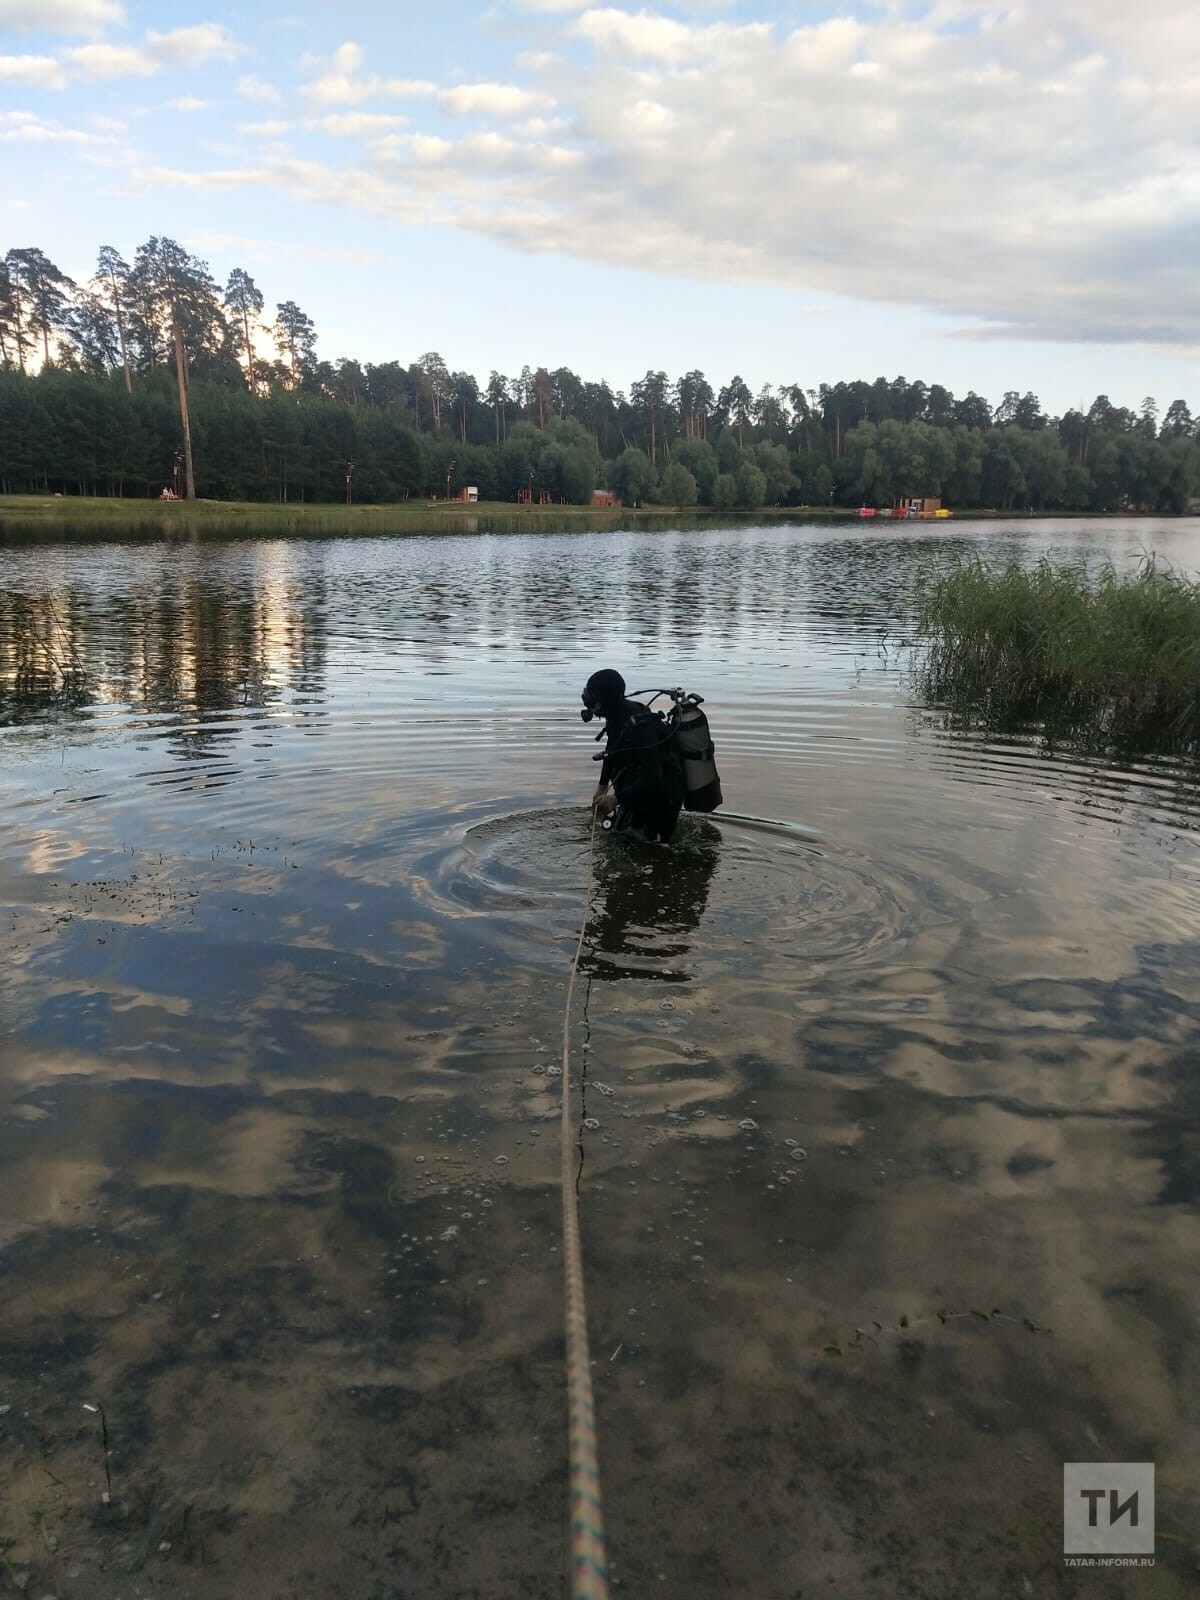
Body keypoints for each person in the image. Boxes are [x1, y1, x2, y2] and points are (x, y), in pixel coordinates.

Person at [581, 668, 684, 843]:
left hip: (663, 796)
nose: (587, 703)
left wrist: (616, 798)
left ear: (604, 700)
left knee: (642, 846)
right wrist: (602, 786)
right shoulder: (615, 714)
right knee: (616, 836)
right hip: (638, 791)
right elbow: (611, 749)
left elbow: (654, 778)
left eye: (591, 698)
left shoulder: (640, 727)